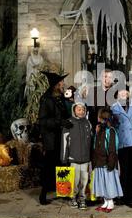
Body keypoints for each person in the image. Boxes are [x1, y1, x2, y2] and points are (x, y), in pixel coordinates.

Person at [38, 72, 73, 205]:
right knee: (49, 167)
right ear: (55, 85)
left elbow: (64, 114)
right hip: (51, 140)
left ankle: (64, 192)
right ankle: (43, 195)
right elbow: (43, 121)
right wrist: (60, 122)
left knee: (63, 163)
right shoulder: (46, 99)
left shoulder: (59, 98)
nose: (63, 84)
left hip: (61, 138)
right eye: (61, 82)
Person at [60, 102, 92, 210]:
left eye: (83, 109)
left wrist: (91, 156)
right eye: (79, 109)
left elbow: (91, 141)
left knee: (84, 180)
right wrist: (64, 157)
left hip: (86, 158)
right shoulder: (69, 123)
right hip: (73, 158)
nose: (81, 111)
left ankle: (82, 199)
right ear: (74, 111)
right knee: (74, 180)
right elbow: (64, 141)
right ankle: (73, 198)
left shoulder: (88, 123)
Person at [92, 108, 123, 213]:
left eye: (99, 116)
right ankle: (105, 202)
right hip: (99, 162)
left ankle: (110, 203)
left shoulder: (111, 131)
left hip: (107, 162)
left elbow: (112, 148)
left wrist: (111, 162)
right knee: (102, 183)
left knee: (108, 183)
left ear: (102, 118)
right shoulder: (99, 129)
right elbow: (96, 145)